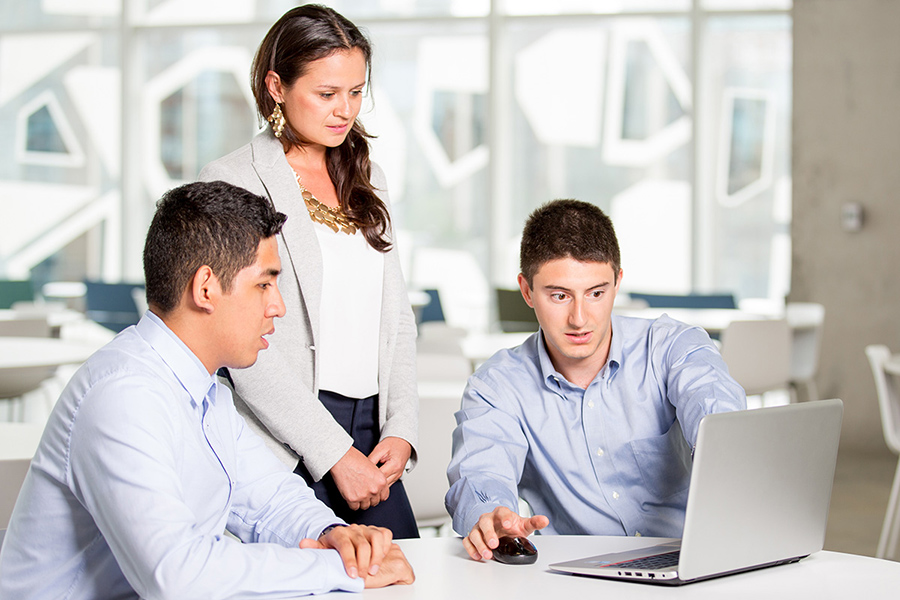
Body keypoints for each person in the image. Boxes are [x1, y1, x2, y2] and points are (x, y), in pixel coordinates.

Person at [0, 181, 415, 599]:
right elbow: (177, 577)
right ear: (205, 289)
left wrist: (334, 536)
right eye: (264, 284)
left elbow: (269, 498)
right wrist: (334, 570)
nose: (278, 306)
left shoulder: (206, 393)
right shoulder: (123, 396)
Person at [198, 4, 419, 538]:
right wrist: (333, 452)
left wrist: (402, 430)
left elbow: (397, 318)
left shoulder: (370, 176)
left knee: (408, 578)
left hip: (374, 430)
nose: (345, 110)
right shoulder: (231, 180)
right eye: (326, 94)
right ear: (276, 85)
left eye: (356, 91)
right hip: (285, 439)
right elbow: (240, 343)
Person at [445, 199, 747, 562]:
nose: (579, 318)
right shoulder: (496, 387)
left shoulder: (672, 348)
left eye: (596, 293)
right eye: (559, 295)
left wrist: (723, 449)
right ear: (526, 291)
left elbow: (716, 410)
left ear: (618, 282)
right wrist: (491, 517)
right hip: (578, 580)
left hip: (694, 563)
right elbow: (481, 474)